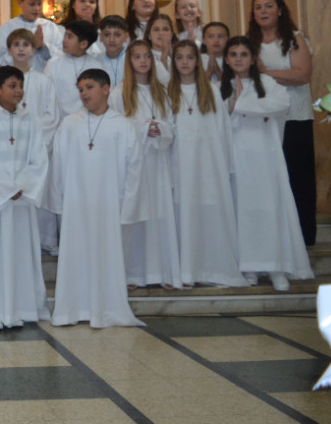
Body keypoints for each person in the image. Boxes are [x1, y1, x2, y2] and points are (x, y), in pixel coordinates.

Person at [47, 68, 145, 328]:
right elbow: (58, 164)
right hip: (77, 204)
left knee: (108, 256)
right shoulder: (69, 124)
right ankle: (72, 308)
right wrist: (59, 203)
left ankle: (108, 308)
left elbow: (134, 169)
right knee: (76, 254)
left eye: (89, 87)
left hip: (110, 205)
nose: (83, 94)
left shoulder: (123, 126)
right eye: (80, 89)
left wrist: (129, 207)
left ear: (105, 89)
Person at [221, 36, 313, 291]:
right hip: (236, 157)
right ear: (227, 59)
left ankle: (275, 268)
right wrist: (234, 104)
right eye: (234, 54)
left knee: (270, 209)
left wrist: (239, 104)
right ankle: (248, 267)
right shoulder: (220, 86)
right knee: (243, 210)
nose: (239, 59)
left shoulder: (270, 83)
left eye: (244, 54)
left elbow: (281, 104)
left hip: (266, 156)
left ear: (253, 59)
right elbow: (217, 121)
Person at [0, 66, 51, 330]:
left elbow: (39, 158)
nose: (18, 91)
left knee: (20, 253)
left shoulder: (31, 120)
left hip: (21, 201)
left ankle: (23, 306)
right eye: (12, 85)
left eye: (20, 85)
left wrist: (23, 186)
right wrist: (5, 188)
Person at [168, 41, 247, 288]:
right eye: (179, 57)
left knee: (209, 211)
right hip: (179, 163)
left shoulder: (211, 91)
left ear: (197, 61)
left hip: (208, 164)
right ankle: (186, 271)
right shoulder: (167, 92)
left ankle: (213, 269)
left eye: (189, 57)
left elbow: (222, 130)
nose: (184, 62)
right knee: (183, 213)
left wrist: (224, 165)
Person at [247, 0, 316, 245]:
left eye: (268, 6)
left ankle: (304, 238)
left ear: (280, 10)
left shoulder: (294, 39)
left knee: (298, 178)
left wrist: (265, 72)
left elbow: (302, 74)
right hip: (261, 122)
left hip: (295, 117)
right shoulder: (249, 43)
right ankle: (271, 239)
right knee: (267, 179)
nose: (263, 11)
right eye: (257, 7)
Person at [111, 41, 179, 289]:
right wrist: (141, 128)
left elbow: (171, 125)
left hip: (158, 162)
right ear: (129, 61)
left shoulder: (161, 91)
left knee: (160, 213)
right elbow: (115, 127)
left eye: (147, 57)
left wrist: (159, 129)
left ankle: (162, 273)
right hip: (134, 164)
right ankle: (132, 274)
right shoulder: (119, 93)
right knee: (136, 215)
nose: (142, 61)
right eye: (137, 57)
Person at [5, 29, 61, 255]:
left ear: (33, 49)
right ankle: (15, 240)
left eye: (25, 44)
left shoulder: (43, 80)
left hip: (37, 146)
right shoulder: (2, 80)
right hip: (11, 146)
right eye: (16, 44)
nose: (20, 48)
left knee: (41, 192)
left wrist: (33, 135)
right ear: (9, 50)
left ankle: (45, 239)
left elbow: (52, 115)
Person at [0, 0, 61, 73]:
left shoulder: (50, 27)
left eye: (39, 4)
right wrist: (30, 48)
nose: (36, 8)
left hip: (45, 80)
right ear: (19, 2)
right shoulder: (8, 28)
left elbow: (61, 56)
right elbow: (1, 58)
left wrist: (43, 46)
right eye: (32, 4)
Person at [45, 20, 104, 117]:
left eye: (70, 37)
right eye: (65, 35)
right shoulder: (53, 64)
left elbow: (100, 99)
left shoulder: (96, 67)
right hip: (58, 120)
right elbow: (47, 96)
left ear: (83, 44)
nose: (64, 40)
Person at [98, 14, 131, 87]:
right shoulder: (96, 60)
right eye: (107, 35)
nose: (111, 39)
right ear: (100, 37)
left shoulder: (132, 58)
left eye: (117, 35)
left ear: (126, 37)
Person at [145, 13, 176, 85]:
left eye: (165, 29)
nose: (161, 33)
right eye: (156, 29)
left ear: (171, 34)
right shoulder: (145, 56)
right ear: (149, 35)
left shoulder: (179, 55)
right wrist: (164, 55)